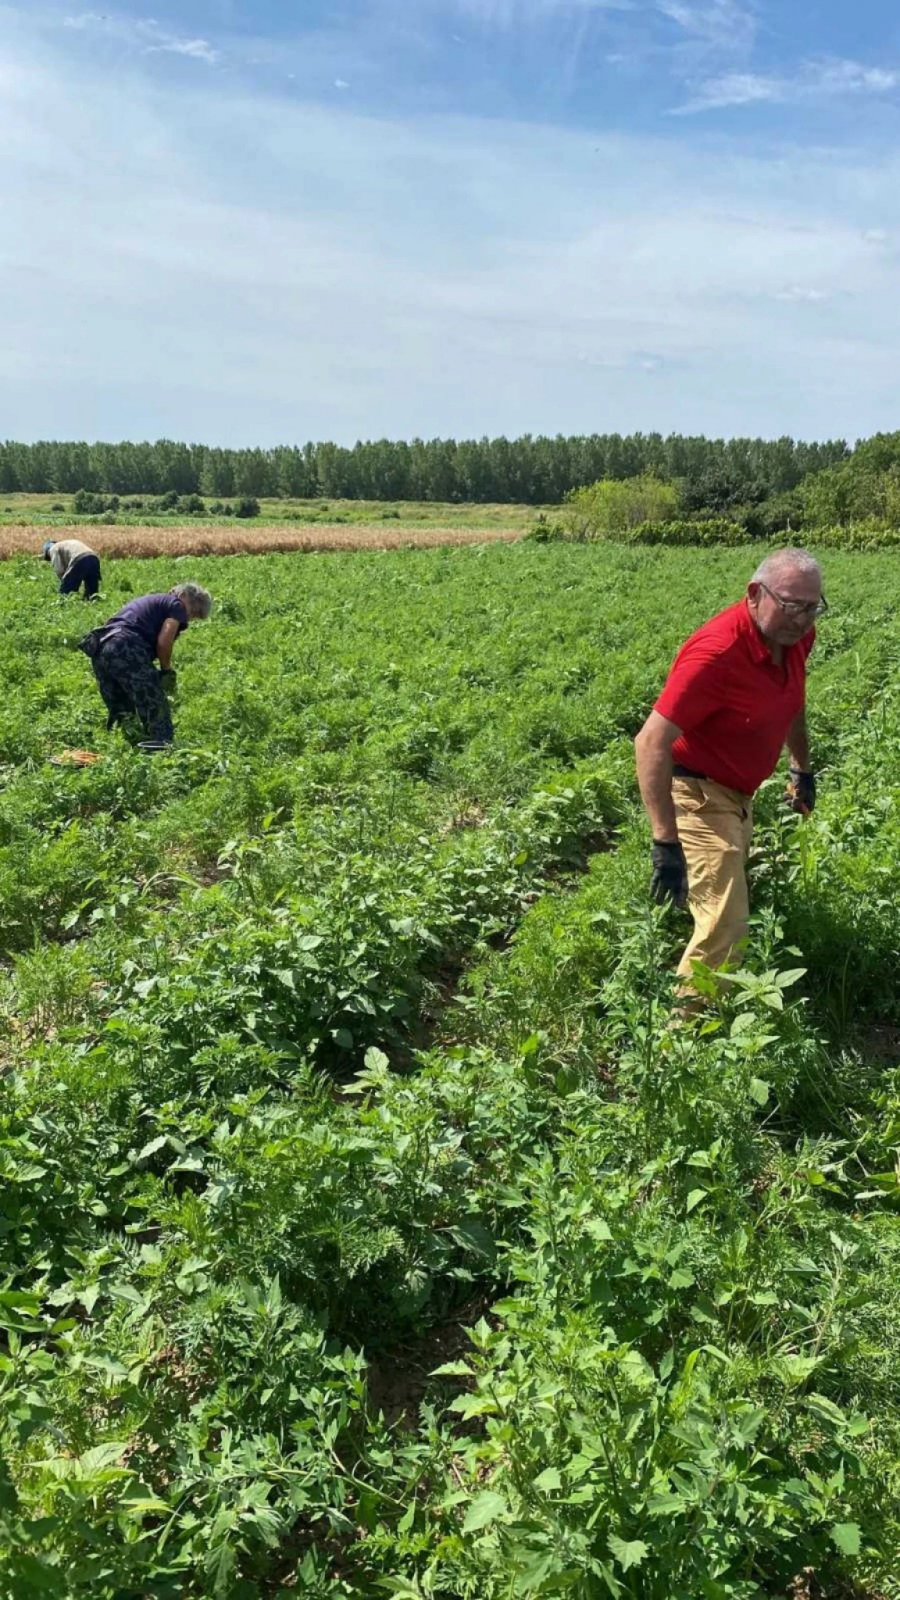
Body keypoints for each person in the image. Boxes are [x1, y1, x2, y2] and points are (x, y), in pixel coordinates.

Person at [634, 548, 824, 992]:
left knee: (718, 905)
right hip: (697, 792)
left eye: (813, 607)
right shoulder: (716, 653)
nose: (802, 619)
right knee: (726, 924)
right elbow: (649, 742)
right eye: (792, 605)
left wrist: (801, 767)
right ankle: (685, 1044)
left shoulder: (794, 640)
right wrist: (666, 839)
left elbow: (792, 700)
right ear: (756, 594)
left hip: (736, 794)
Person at [79, 582, 212, 752]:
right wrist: (166, 670)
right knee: (154, 703)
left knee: (122, 710)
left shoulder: (150, 602)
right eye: (193, 613)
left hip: (100, 647)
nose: (187, 619)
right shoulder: (176, 604)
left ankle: (121, 751)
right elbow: (164, 642)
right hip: (125, 646)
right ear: (187, 598)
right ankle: (162, 751)